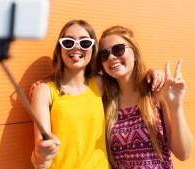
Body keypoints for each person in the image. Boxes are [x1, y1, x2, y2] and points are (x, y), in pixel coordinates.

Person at [30, 20, 165, 169]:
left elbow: (129, 77)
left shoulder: (101, 83)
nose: (76, 47)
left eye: (85, 43)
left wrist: (151, 73)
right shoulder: (44, 91)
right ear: (59, 48)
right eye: (68, 42)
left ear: (93, 50)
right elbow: (41, 163)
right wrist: (42, 154)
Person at [97, 25, 194, 168]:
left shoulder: (155, 91)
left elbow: (184, 153)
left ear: (135, 54)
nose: (111, 57)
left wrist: (176, 106)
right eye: (104, 54)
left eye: (118, 49)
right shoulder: (105, 101)